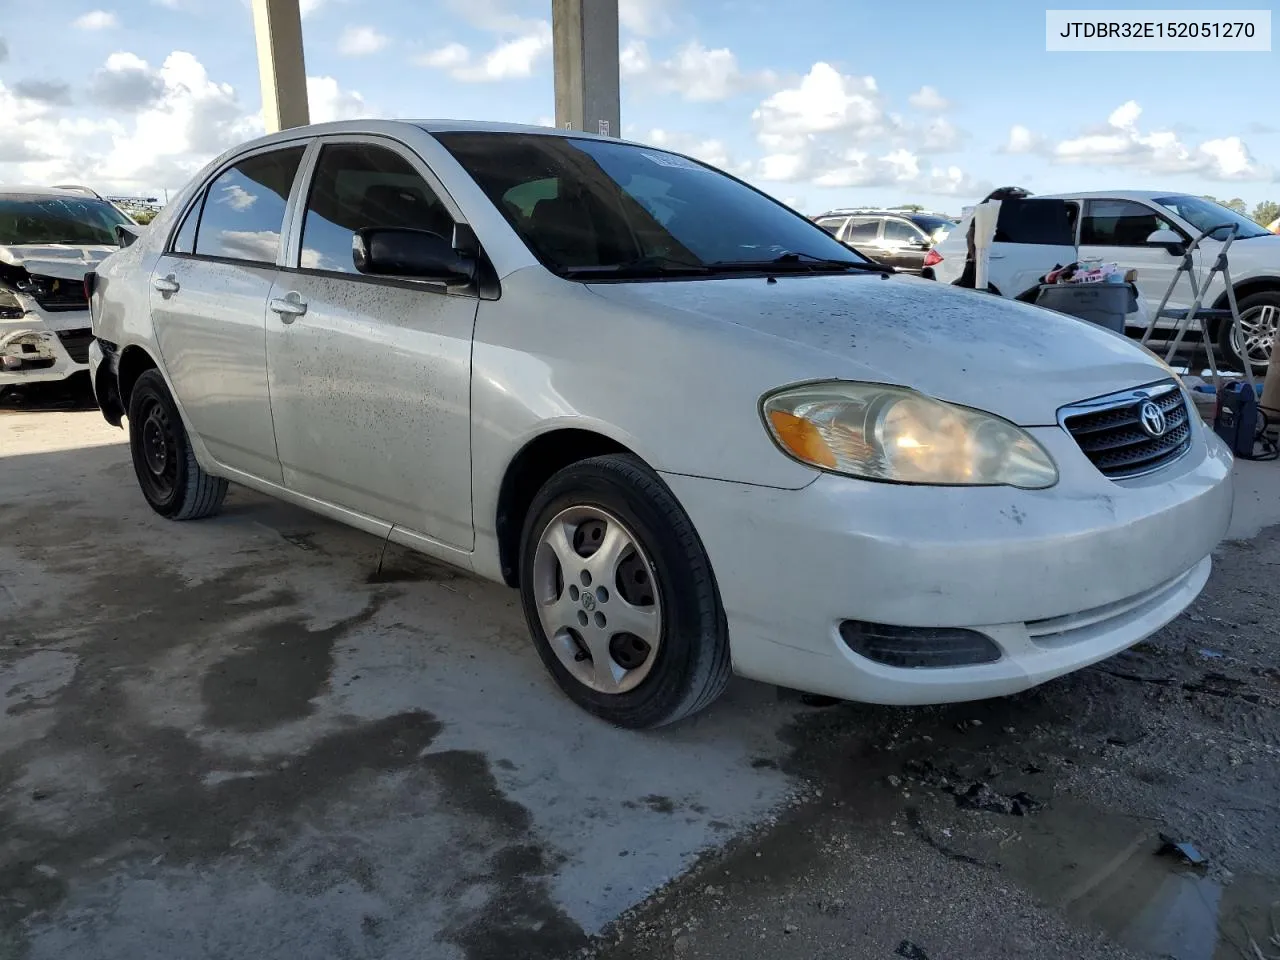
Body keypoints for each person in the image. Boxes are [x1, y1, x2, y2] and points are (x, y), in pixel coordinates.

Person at [955, 186, 1031, 289]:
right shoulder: (987, 211)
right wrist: (974, 257)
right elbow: (970, 235)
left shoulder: (998, 212)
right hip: (979, 256)